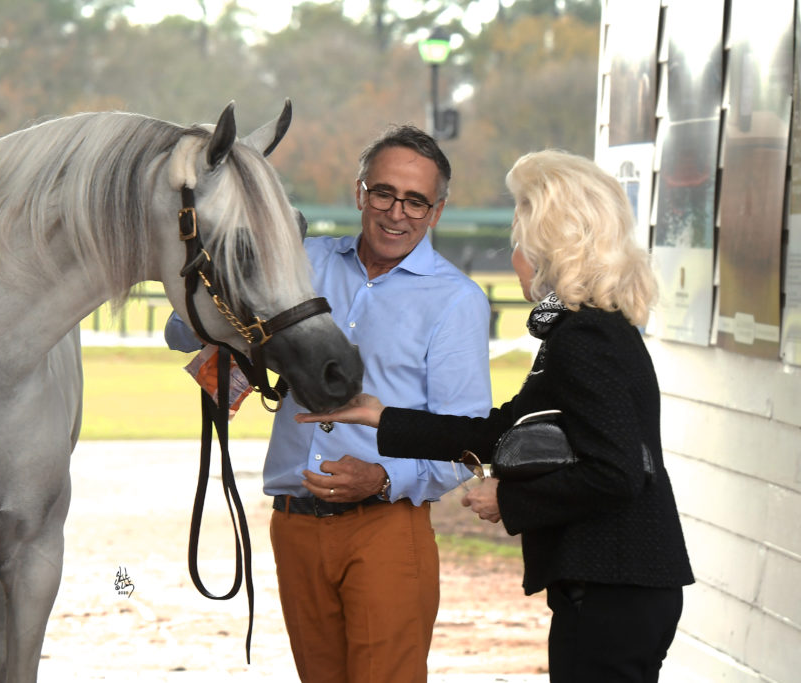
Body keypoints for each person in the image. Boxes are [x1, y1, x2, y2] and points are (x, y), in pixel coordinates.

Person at [297, 149, 694, 683]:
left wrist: (508, 498)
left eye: (518, 233)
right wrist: (382, 416)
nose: (513, 250)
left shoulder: (587, 337)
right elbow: (497, 430)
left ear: (547, 244)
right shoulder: (584, 329)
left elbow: (616, 474)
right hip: (616, 584)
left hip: (614, 584)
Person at [166, 124, 492, 682]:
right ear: (360, 192)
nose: (397, 212)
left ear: (436, 212)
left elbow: (462, 440)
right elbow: (181, 331)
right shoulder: (299, 259)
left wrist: (383, 478)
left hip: (386, 525)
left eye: (416, 201)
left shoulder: (456, 300)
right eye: (384, 192)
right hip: (293, 524)